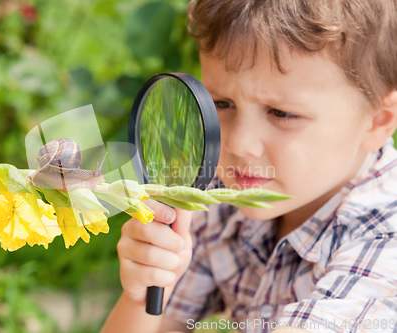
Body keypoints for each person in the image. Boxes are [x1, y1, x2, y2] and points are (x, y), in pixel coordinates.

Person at [101, 0, 397, 332]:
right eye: (222, 104)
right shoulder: (223, 198)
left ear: (377, 122)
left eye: (281, 113)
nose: (239, 144)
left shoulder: (385, 250)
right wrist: (144, 294)